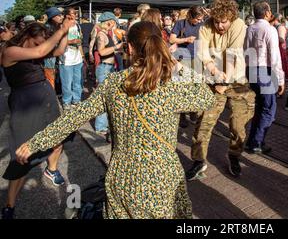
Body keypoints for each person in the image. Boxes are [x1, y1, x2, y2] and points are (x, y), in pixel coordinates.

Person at [15, 21, 216, 219]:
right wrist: (176, 65)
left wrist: (36, 143)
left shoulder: (114, 84)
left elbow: (74, 117)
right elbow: (207, 97)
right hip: (162, 177)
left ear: (129, 48)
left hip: (123, 177)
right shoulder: (171, 84)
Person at [1, 19, 74, 219]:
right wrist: (62, 30)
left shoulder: (36, 48)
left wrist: (66, 31)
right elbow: (40, 52)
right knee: (22, 156)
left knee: (58, 139)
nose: (39, 45)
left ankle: (51, 169)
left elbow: (58, 51)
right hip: (25, 106)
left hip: (46, 99)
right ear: (28, 36)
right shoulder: (10, 51)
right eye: (36, 42)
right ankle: (9, 205)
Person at [186, 0, 255, 180]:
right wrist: (214, 71)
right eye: (216, 21)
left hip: (237, 81)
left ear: (231, 18)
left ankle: (234, 156)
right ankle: (198, 161)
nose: (219, 25)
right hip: (214, 80)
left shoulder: (239, 24)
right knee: (204, 122)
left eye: (223, 22)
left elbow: (233, 54)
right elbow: (202, 53)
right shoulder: (206, 26)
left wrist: (224, 82)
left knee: (238, 125)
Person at [245, 1, 285, 154]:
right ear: (267, 13)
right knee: (268, 109)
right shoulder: (270, 30)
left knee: (260, 106)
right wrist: (281, 80)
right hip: (264, 71)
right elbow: (274, 57)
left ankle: (252, 140)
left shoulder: (249, 28)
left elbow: (245, 51)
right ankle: (257, 142)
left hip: (252, 70)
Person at [170, 6, 205, 128]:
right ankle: (183, 115)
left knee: (196, 85)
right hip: (182, 58)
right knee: (183, 87)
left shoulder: (203, 25)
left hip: (197, 58)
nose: (199, 21)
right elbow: (172, 39)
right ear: (191, 16)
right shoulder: (181, 23)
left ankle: (193, 111)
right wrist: (186, 39)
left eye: (201, 19)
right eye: (198, 19)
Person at [94, 12, 123, 137]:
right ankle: (100, 127)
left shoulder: (107, 34)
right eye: (114, 22)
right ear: (108, 22)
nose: (115, 24)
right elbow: (101, 52)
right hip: (104, 68)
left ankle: (105, 124)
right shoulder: (101, 34)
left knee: (109, 97)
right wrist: (117, 47)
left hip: (110, 67)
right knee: (103, 98)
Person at [58, 8, 85, 111]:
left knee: (77, 82)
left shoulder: (77, 25)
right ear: (67, 15)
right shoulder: (62, 26)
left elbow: (80, 42)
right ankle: (66, 102)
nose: (76, 14)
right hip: (66, 59)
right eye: (74, 13)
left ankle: (76, 100)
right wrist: (71, 41)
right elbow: (58, 41)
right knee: (67, 83)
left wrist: (82, 56)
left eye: (76, 13)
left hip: (77, 58)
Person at [43, 7, 64, 88]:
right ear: (52, 17)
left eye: (61, 15)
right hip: (49, 59)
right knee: (50, 80)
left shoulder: (58, 26)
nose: (62, 17)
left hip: (56, 58)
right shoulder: (47, 28)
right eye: (59, 15)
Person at [277, 15, 288, 82]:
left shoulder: (281, 27)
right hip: (284, 46)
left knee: (285, 61)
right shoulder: (284, 27)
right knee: (286, 61)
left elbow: (282, 39)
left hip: (283, 46)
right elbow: (283, 39)